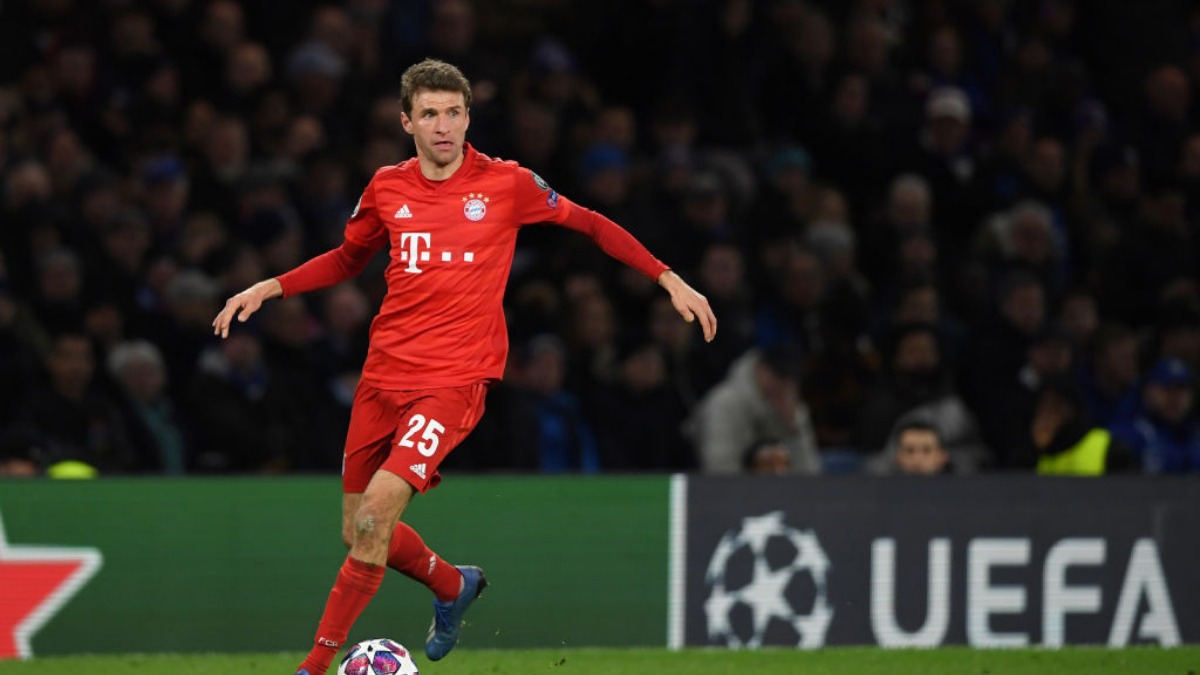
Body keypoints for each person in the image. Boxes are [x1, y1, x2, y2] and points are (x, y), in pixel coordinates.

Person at [210, 59, 715, 675]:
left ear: (469, 117)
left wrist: (668, 277)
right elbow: (347, 259)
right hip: (382, 377)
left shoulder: (507, 184)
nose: (443, 126)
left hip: (453, 382)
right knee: (358, 530)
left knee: (375, 515)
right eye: (429, 114)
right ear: (407, 122)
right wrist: (271, 286)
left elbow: (589, 222)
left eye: (453, 113)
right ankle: (452, 585)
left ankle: (313, 667)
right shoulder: (386, 188)